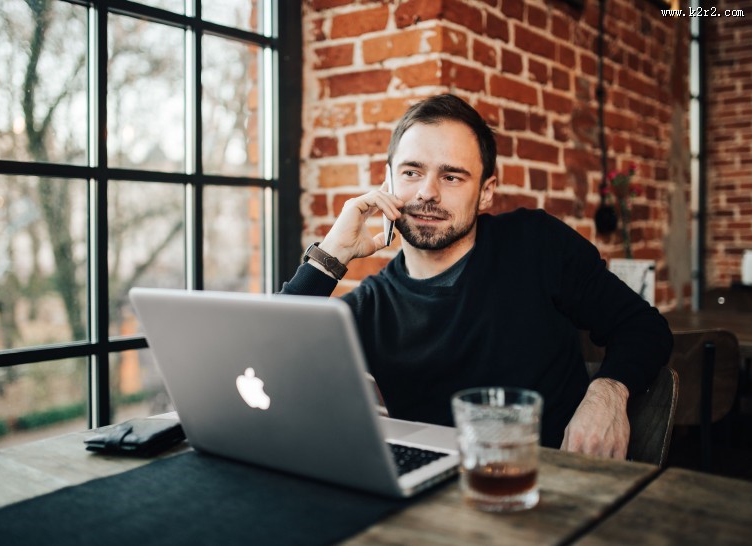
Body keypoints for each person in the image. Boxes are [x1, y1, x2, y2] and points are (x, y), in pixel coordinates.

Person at [281, 94, 672, 458]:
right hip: (430, 504)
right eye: (412, 172)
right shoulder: (371, 305)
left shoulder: (536, 244)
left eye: (451, 177)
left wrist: (607, 392)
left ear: (486, 193)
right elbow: (268, 365)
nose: (427, 193)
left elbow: (643, 327)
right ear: (388, 182)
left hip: (549, 484)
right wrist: (330, 257)